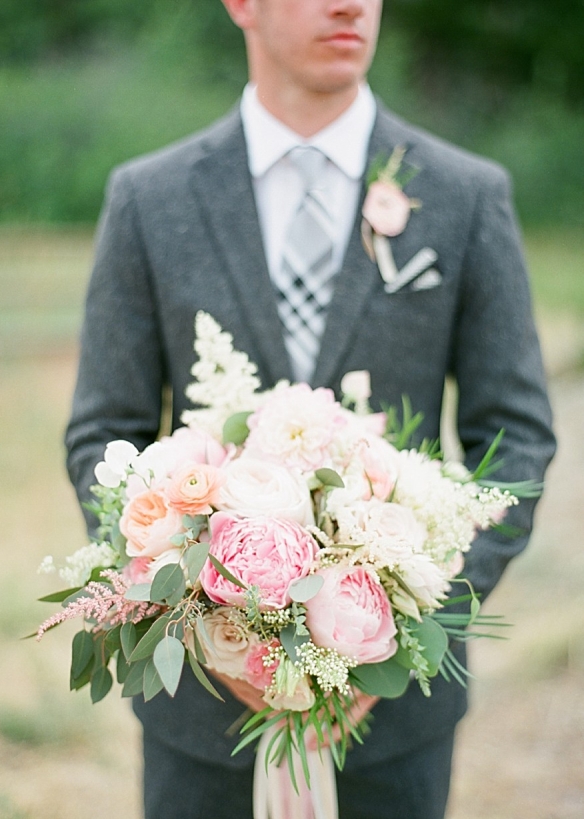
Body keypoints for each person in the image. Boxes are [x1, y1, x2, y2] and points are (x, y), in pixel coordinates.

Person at [65, 1, 556, 817]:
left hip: (396, 717)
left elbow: (517, 437)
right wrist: (191, 611)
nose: (352, 4)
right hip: (201, 711)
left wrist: (403, 618)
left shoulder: (468, 197)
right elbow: (101, 431)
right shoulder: (147, 200)